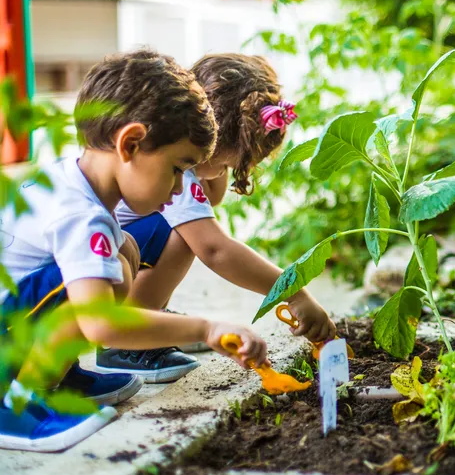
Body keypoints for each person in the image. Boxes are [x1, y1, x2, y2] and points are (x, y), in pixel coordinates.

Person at [0, 50, 268, 452]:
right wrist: (206, 329)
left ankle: (57, 375)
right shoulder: (80, 217)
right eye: (178, 168)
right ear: (131, 144)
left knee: (123, 250)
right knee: (93, 285)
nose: (180, 188)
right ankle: (17, 404)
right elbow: (101, 324)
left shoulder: (70, 176)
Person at [98, 53, 335, 383]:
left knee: (187, 228)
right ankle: (127, 338)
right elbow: (215, 250)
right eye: (228, 165)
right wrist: (296, 293)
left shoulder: (182, 164)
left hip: (112, 261)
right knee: (186, 236)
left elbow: (214, 197)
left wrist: (218, 162)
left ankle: (152, 320)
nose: (229, 173)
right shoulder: (173, 175)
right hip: (96, 276)